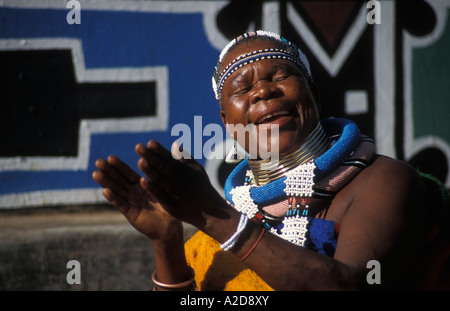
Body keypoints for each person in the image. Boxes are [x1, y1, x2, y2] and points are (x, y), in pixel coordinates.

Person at [92, 31, 449, 291]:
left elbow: (348, 286)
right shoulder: (228, 223)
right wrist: (166, 242)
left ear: (314, 93)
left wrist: (216, 218)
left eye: (280, 76)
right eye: (242, 89)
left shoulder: (384, 181)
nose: (263, 91)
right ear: (227, 122)